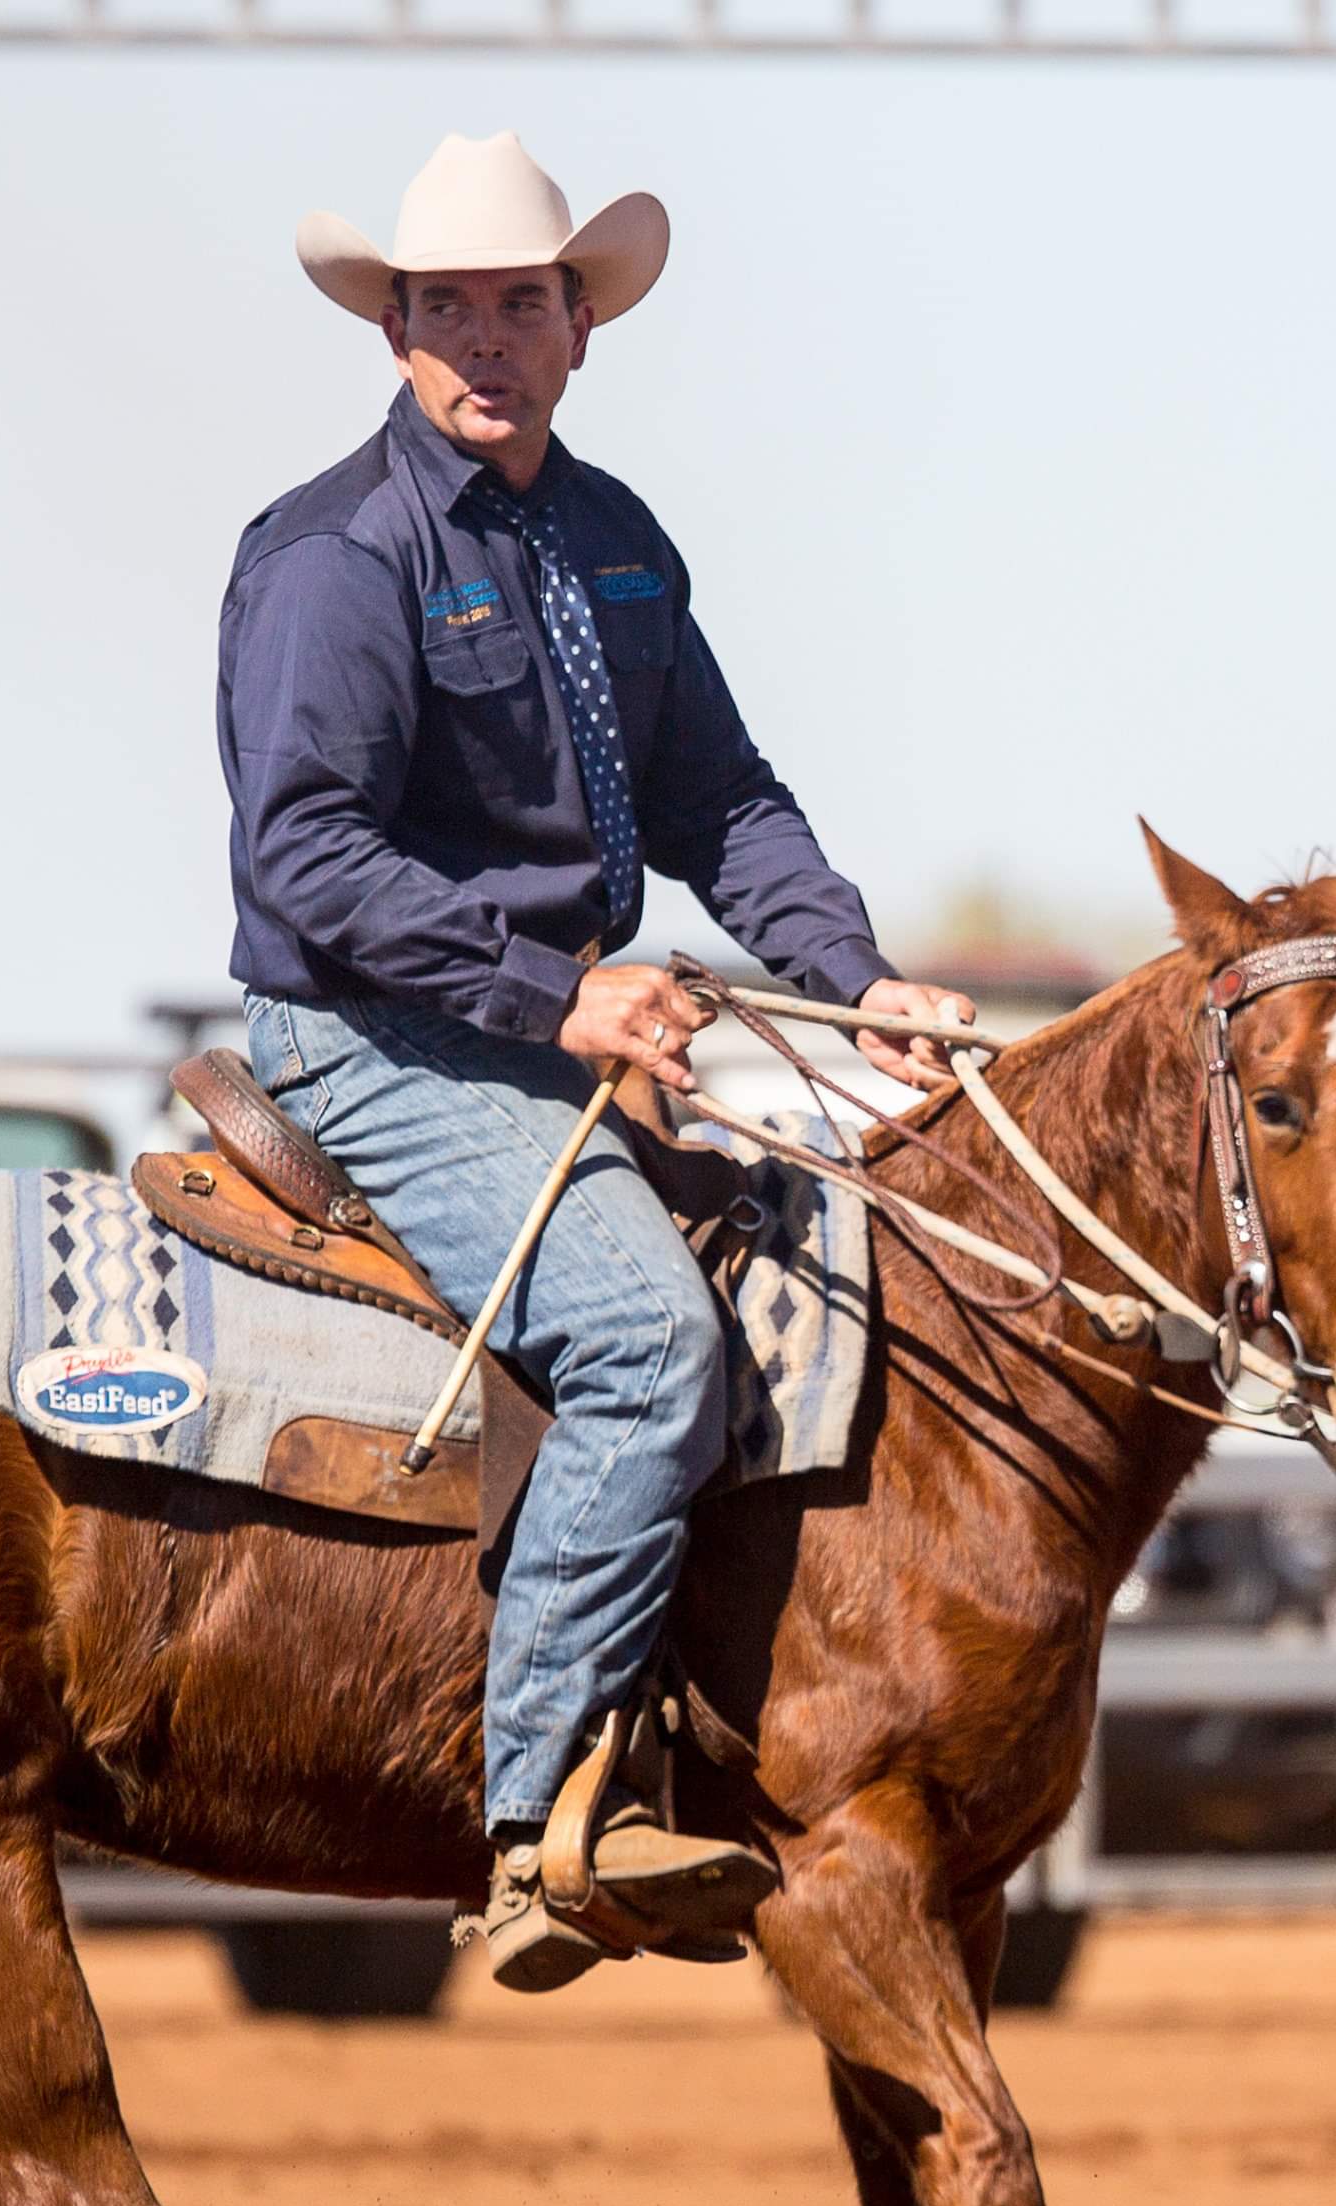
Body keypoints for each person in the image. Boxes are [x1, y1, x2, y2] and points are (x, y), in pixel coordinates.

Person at [217, 132, 974, 1988]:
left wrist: (861, 976)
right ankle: (543, 1822)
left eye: (520, 302)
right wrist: (555, 999)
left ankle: (715, 1743)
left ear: (580, 324)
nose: (486, 339)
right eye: (448, 307)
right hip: (374, 1029)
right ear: (395, 332)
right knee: (647, 1344)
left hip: (537, 1026)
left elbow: (725, 799)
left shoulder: (618, 544)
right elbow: (304, 853)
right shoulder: (336, 557)